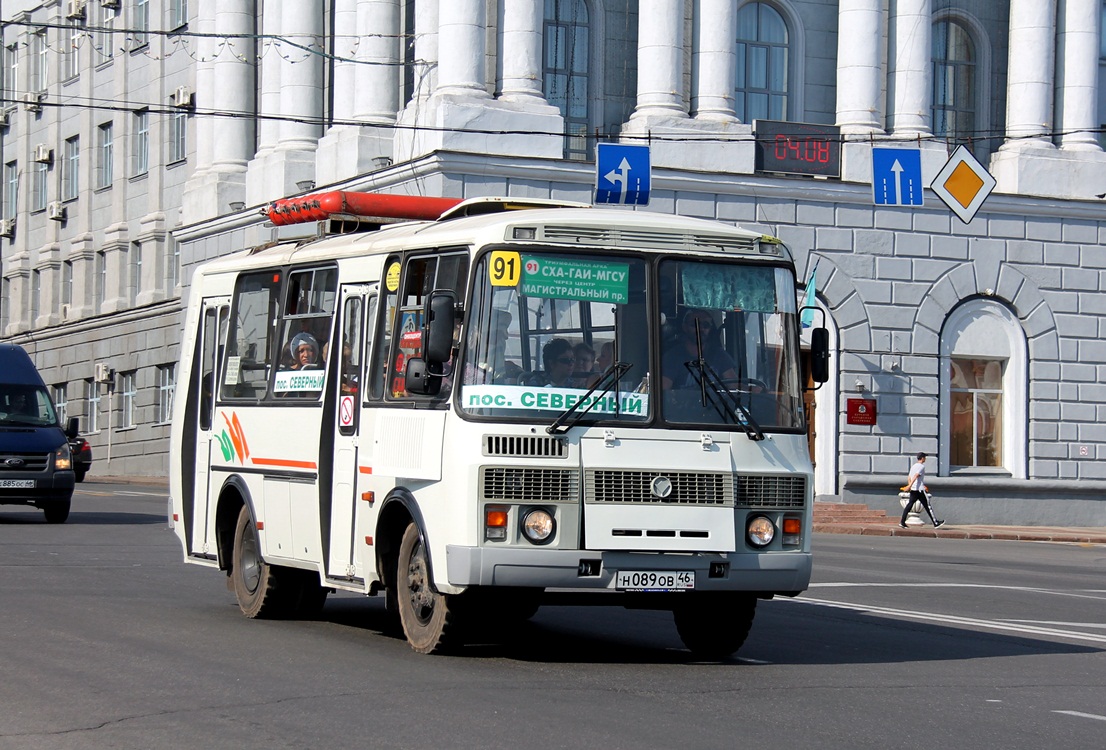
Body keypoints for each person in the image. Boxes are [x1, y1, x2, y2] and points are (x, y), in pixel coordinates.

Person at [662, 309, 737, 389]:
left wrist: (751, 390)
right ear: (684, 327)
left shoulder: (719, 355)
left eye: (706, 325)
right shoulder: (672, 357)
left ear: (710, 329)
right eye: (695, 324)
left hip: (715, 402)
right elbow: (663, 391)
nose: (701, 329)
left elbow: (735, 386)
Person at [900, 452, 944, 528]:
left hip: (914, 490)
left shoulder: (913, 466)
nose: (925, 459)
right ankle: (936, 523)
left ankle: (902, 522)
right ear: (922, 458)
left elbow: (909, 477)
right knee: (928, 506)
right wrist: (910, 485)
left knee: (909, 505)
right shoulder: (921, 466)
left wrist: (910, 486)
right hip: (920, 490)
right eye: (925, 457)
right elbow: (916, 476)